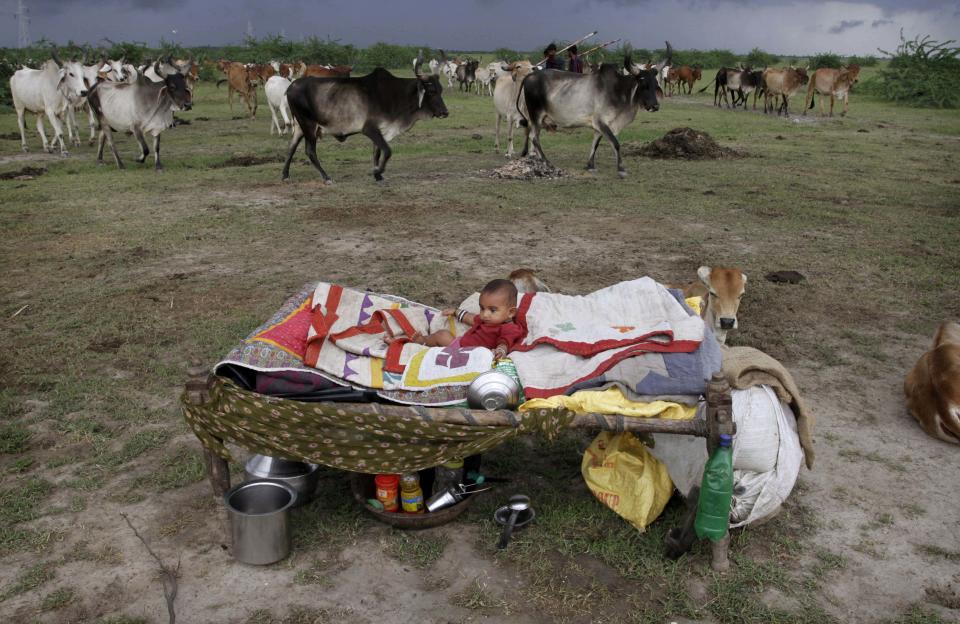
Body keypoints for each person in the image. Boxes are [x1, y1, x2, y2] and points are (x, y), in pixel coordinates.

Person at [386, 279, 524, 360]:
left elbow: (505, 341)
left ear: (511, 312)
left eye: (492, 310)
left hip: (474, 356)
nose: (485, 314)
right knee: (442, 334)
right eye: (482, 308)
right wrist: (456, 312)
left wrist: (500, 351)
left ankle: (406, 347)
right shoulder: (486, 320)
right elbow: (471, 318)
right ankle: (419, 341)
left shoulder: (509, 328)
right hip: (460, 346)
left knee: (436, 348)